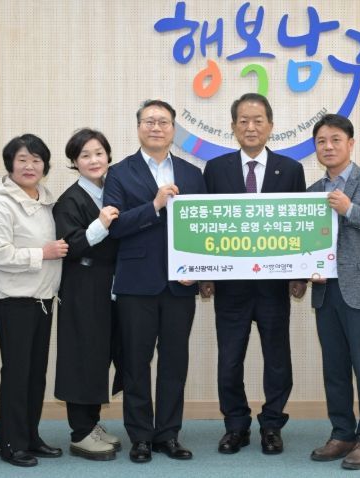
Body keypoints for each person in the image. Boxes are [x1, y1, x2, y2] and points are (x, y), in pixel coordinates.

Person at [200, 93, 306, 456]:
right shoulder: (216, 169)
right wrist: (205, 273)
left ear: (270, 126)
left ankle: (272, 425)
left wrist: (299, 274)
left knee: (277, 360)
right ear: (232, 127)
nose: (250, 127)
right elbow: (207, 225)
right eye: (243, 121)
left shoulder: (290, 169)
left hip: (274, 285)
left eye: (258, 120)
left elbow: (299, 225)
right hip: (230, 286)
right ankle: (236, 425)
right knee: (229, 360)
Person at [103, 99, 206, 464]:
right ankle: (141, 436)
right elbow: (114, 227)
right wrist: (155, 205)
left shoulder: (193, 173)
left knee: (175, 363)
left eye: (163, 121)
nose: (156, 127)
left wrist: (202, 272)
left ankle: (168, 434)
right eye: (149, 121)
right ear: (138, 128)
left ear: (173, 129)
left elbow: (204, 229)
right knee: (136, 363)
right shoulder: (120, 173)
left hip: (181, 284)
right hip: (136, 284)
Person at [307, 114, 360, 470]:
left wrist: (350, 209)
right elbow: (304, 242)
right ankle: (342, 432)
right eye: (321, 141)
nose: (328, 147)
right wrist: (304, 270)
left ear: (351, 144)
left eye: (335, 140)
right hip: (325, 292)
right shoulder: (312, 191)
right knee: (335, 368)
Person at [0, 134, 68, 467]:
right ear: (10, 165)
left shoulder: (46, 201)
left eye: (36, 160)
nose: (29, 166)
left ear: (45, 165)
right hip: (12, 300)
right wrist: (42, 253)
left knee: (35, 374)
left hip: (42, 298)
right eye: (22, 160)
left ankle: (30, 436)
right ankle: (12, 443)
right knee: (17, 374)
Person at [53, 128, 121, 461]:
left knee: (100, 354)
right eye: (85, 155)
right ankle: (80, 432)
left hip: (108, 284)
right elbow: (72, 245)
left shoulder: (113, 191)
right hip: (82, 285)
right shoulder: (69, 200)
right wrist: (101, 224)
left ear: (108, 156)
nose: (93, 160)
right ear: (74, 162)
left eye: (99, 153)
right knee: (81, 355)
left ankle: (91, 423)